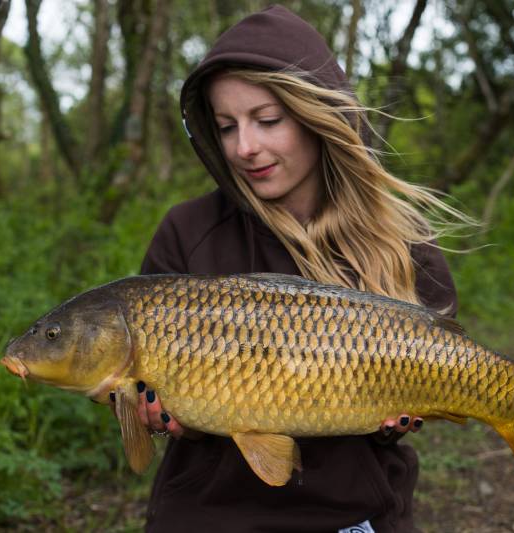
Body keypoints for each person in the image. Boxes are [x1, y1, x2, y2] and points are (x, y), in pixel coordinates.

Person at [132, 5, 471, 532]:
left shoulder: (404, 245)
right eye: (226, 127)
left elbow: (397, 423)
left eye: (267, 121)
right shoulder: (187, 232)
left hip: (352, 515)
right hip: (210, 516)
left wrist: (395, 420)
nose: (245, 148)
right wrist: (170, 416)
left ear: (316, 116)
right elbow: (151, 396)